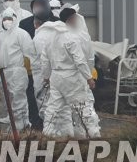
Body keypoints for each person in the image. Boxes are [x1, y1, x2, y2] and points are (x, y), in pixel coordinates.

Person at [40, 7, 97, 138]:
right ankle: (95, 137)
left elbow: (44, 59)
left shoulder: (50, 36)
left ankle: (48, 135)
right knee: (83, 108)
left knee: (54, 109)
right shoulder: (71, 36)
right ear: (70, 19)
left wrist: (46, 76)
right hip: (72, 77)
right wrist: (89, 78)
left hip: (55, 77)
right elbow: (80, 60)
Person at [0, 8, 36, 131]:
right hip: (4, 71)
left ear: (15, 19)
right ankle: (17, 120)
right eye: (5, 19)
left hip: (17, 71)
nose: (7, 21)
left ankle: (20, 123)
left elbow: (30, 53)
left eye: (9, 19)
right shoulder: (1, 35)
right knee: (7, 97)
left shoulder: (21, 34)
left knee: (18, 97)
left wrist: (32, 69)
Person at [22, 0, 57, 128]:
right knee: (32, 95)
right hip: (33, 67)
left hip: (54, 68)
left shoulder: (57, 23)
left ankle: (53, 125)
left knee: (53, 98)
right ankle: (36, 123)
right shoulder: (25, 24)